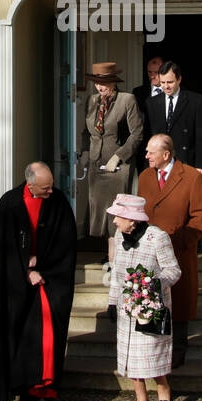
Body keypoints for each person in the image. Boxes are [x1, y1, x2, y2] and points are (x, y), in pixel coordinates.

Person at [0, 161, 77, 401]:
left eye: (51, 187)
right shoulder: (9, 204)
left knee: (48, 339)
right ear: (30, 184)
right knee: (22, 340)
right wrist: (24, 271)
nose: (50, 192)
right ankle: (25, 393)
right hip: (19, 287)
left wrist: (43, 267)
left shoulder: (58, 203)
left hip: (50, 283)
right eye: (45, 188)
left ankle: (47, 393)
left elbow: (66, 244)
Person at [139, 133, 202, 368]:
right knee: (152, 301)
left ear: (166, 154)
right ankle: (153, 356)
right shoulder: (145, 177)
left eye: (151, 152)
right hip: (150, 254)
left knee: (178, 305)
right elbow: (140, 211)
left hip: (178, 251)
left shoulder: (191, 177)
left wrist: (181, 240)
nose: (146, 155)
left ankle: (178, 356)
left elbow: (201, 216)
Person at [107, 193, 180, 401]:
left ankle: (163, 392)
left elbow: (173, 270)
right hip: (126, 308)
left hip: (151, 307)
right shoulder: (119, 236)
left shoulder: (157, 237)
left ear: (133, 219)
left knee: (151, 354)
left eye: (118, 216)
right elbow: (116, 273)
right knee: (130, 356)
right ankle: (140, 399)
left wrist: (154, 284)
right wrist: (111, 301)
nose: (114, 221)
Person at [79, 62, 143, 261]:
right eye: (97, 82)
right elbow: (86, 132)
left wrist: (119, 156)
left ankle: (118, 259)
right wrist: (84, 152)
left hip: (118, 165)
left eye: (104, 83)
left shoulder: (127, 100)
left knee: (118, 212)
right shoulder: (92, 101)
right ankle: (110, 256)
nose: (100, 87)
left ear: (114, 82)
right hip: (96, 163)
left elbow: (137, 133)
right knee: (101, 211)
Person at [145, 61, 202, 173]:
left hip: (186, 162)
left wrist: (201, 164)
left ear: (179, 79)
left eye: (170, 82)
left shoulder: (196, 101)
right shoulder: (151, 103)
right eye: (163, 82)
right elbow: (148, 134)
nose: (166, 86)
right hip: (160, 162)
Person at [132, 56, 164, 171]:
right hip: (145, 147)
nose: (152, 75)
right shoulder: (138, 92)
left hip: (166, 146)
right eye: (149, 72)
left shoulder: (173, 92)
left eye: (156, 72)